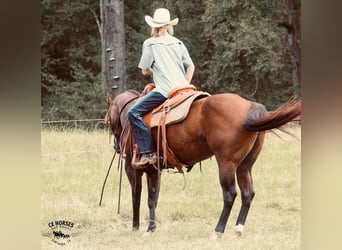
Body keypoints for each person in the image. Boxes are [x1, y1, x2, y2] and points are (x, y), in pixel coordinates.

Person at [127, 8, 195, 166]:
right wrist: (185, 83)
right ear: (168, 25)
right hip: (184, 89)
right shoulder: (178, 42)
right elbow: (191, 66)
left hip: (165, 90)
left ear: (153, 25)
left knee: (133, 113)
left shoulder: (150, 43)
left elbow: (144, 70)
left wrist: (155, 70)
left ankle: (148, 152)